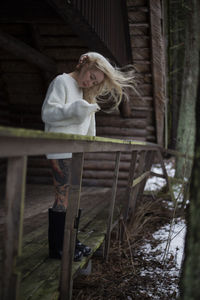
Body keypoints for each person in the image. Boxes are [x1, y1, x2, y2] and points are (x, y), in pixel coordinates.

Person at [41, 51, 136, 261]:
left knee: (74, 197)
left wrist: (91, 140)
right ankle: (58, 248)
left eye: (95, 81)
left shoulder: (85, 92)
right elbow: (48, 113)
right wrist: (78, 109)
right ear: (84, 65)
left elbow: (87, 123)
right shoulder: (62, 81)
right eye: (91, 76)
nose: (89, 82)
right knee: (62, 198)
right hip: (60, 148)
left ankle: (71, 242)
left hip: (76, 151)